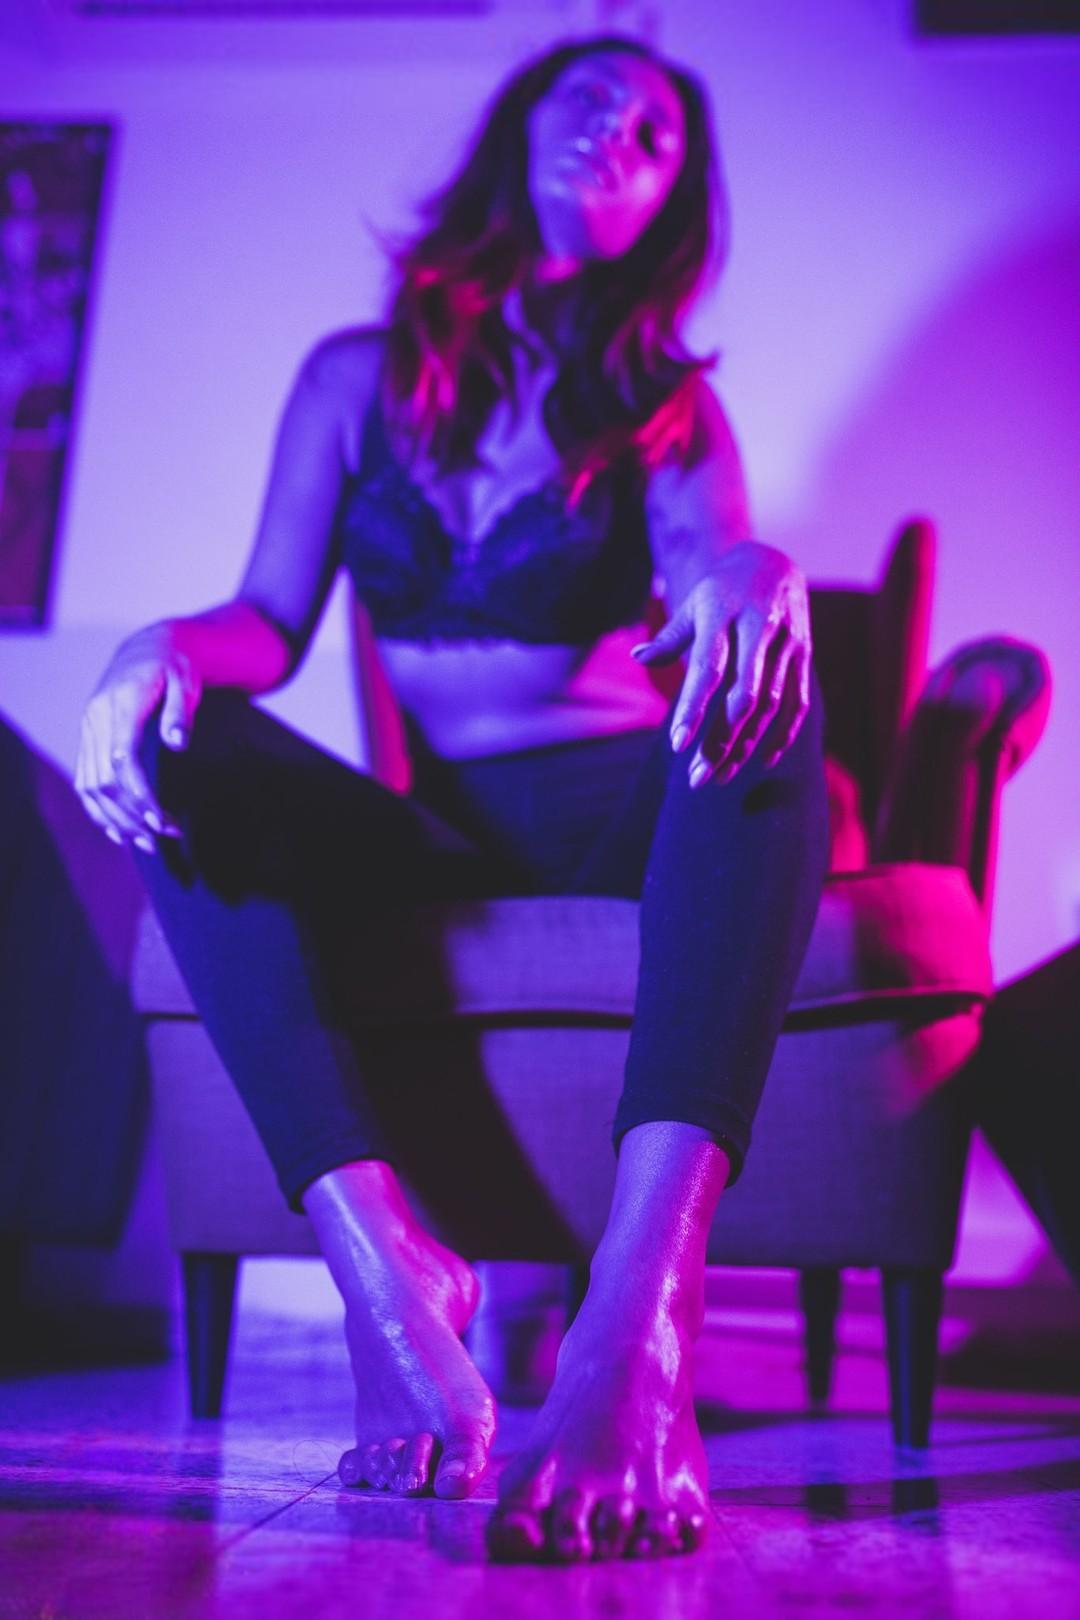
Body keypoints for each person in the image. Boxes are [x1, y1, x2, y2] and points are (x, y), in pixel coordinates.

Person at [75, 35, 830, 1563]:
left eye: (657, 134)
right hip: (444, 832)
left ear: (669, 206)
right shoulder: (352, 379)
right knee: (182, 741)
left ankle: (642, 1317)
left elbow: (710, 567)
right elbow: (265, 622)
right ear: (521, 124)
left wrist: (756, 571)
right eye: (590, 98)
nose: (617, 132)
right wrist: (160, 648)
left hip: (629, 818)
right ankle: (384, 1259)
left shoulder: (667, 409)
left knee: (766, 706)